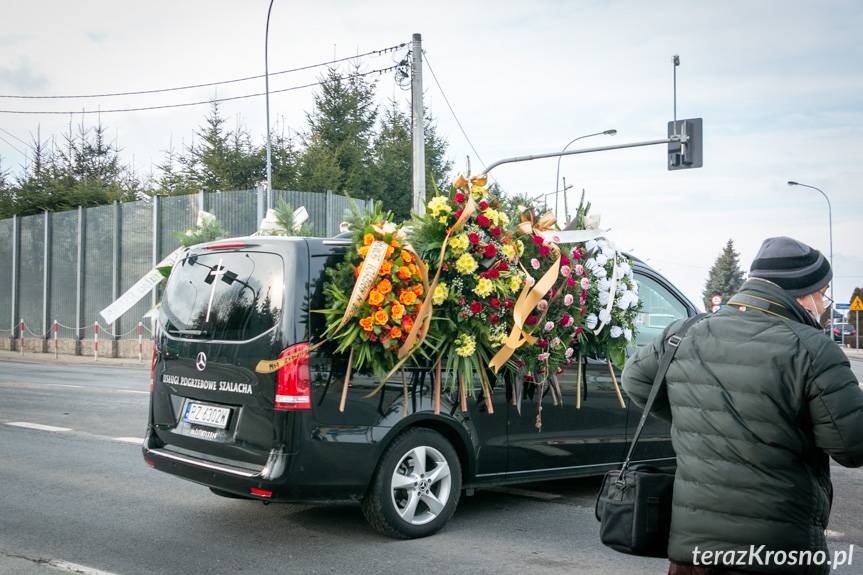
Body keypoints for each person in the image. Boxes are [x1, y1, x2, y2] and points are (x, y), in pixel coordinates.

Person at [622, 237, 863, 575]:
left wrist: (697, 419)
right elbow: (852, 446)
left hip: (692, 554)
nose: (822, 305)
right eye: (822, 294)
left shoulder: (685, 333)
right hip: (777, 552)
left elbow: (635, 379)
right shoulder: (813, 350)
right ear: (802, 295)